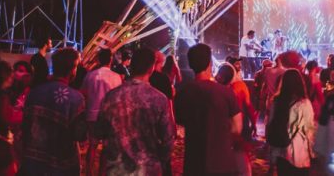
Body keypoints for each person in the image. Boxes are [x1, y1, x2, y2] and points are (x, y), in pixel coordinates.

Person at [96, 47, 176, 176]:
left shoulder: (111, 97)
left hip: (118, 170)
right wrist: (158, 161)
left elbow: (100, 132)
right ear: (151, 68)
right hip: (148, 170)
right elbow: (168, 139)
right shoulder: (159, 99)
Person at [175, 43, 242, 176]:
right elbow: (237, 128)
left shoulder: (183, 93)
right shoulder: (226, 92)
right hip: (222, 162)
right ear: (210, 64)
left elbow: (180, 124)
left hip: (194, 163)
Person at [21, 47, 86, 176]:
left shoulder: (34, 93)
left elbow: (25, 126)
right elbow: (80, 135)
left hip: (33, 165)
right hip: (61, 168)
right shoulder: (76, 99)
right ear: (73, 70)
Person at [81, 48, 122, 175]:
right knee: (105, 147)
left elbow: (84, 93)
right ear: (110, 60)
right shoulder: (116, 77)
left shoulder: (90, 75)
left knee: (92, 145)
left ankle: (88, 171)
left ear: (98, 59)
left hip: (92, 114)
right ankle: (102, 173)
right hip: (108, 116)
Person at [267, 69, 316, 175]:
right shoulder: (303, 103)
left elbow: (271, 124)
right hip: (298, 153)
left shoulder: (276, 101)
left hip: (280, 151)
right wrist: (313, 153)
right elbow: (309, 129)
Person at [216, 62, 253, 176]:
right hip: (232, 135)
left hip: (219, 138)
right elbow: (237, 125)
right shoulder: (234, 90)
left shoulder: (214, 92)